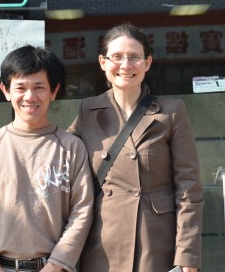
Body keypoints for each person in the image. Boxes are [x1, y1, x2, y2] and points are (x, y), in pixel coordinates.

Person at [68, 22, 203, 272]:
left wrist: (187, 254)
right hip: (101, 240)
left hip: (156, 241)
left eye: (134, 57)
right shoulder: (88, 110)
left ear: (148, 63)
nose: (126, 65)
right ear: (102, 62)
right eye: (117, 57)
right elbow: (60, 158)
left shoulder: (171, 111)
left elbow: (189, 188)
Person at [0, 45, 94, 272]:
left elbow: (82, 211)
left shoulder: (72, 148)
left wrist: (56, 265)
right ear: (5, 90)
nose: (30, 96)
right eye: (20, 87)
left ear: (54, 91)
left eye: (39, 87)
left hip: (55, 267)